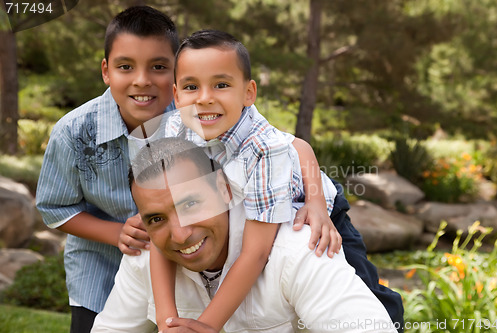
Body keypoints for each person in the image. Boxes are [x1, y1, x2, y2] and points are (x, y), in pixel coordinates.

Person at [143, 29, 403, 332]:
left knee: (358, 285)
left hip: (312, 203)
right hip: (247, 201)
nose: (204, 98)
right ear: (176, 96)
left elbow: (256, 253)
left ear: (248, 93)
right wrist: (167, 322)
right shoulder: (175, 128)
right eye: (191, 87)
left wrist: (316, 202)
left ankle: (392, 321)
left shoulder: (263, 149)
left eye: (221, 84)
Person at [92, 137, 398, 333]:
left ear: (225, 191)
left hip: (321, 208)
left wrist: (316, 203)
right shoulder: (147, 251)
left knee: (381, 303)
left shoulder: (297, 247)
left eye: (191, 204)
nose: (181, 234)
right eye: (156, 218)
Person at [35, 6, 179, 332]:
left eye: (158, 67)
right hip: (98, 270)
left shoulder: (192, 124)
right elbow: (55, 208)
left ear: (176, 72)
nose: (142, 81)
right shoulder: (73, 131)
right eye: (125, 66)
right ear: (106, 71)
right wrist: (117, 234)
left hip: (177, 267)